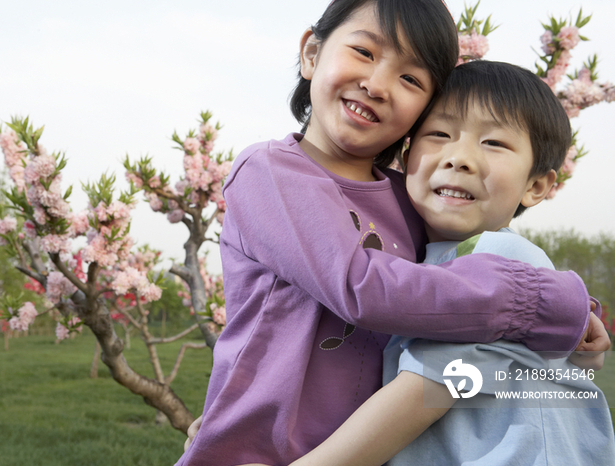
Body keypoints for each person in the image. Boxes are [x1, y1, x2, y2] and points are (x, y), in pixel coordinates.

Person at [175, 1, 604, 465]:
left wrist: (573, 310)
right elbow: (363, 287)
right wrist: (543, 304)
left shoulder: (411, 200)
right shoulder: (272, 174)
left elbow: (452, 282)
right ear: (312, 53)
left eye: (411, 80)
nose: (377, 85)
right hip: (268, 451)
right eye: (363, 51)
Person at [273, 60, 615, 466]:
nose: (460, 158)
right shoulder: (416, 267)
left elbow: (429, 391)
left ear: (537, 185)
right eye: (438, 134)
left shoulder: (502, 259)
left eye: (494, 143)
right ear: (405, 154)